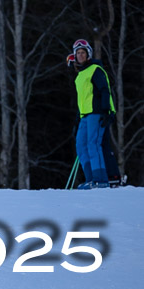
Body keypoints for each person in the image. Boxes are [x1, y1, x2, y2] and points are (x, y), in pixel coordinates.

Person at [69, 39, 116, 189]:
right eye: (78, 53)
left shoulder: (95, 69)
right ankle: (90, 179)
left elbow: (104, 90)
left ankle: (100, 179)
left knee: (93, 144)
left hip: (97, 113)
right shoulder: (80, 75)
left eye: (83, 52)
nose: (80, 55)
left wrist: (106, 110)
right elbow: (82, 100)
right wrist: (78, 119)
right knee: (81, 146)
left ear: (88, 54)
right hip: (85, 115)